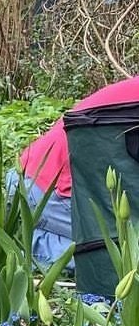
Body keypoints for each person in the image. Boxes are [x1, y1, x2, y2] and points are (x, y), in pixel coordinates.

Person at [13, 76, 139, 268]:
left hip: (36, 176)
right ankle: (20, 243)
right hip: (44, 188)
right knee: (119, 260)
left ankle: (25, 233)